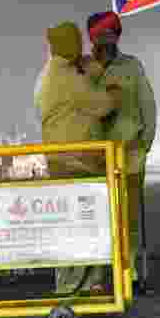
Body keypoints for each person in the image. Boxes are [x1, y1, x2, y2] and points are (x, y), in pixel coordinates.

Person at [33, 21, 122, 295]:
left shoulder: (57, 70)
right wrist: (115, 92)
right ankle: (71, 285)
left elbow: (86, 73)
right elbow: (103, 105)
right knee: (78, 226)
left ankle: (88, 282)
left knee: (81, 224)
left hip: (68, 160)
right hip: (75, 162)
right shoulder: (66, 78)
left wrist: (91, 63)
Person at [85, 10, 157, 290]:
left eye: (111, 33)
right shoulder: (84, 69)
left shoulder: (132, 66)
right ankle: (97, 276)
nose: (107, 38)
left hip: (130, 155)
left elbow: (148, 106)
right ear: (92, 37)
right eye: (102, 34)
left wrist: (145, 143)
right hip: (95, 159)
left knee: (130, 218)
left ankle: (130, 273)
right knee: (97, 217)